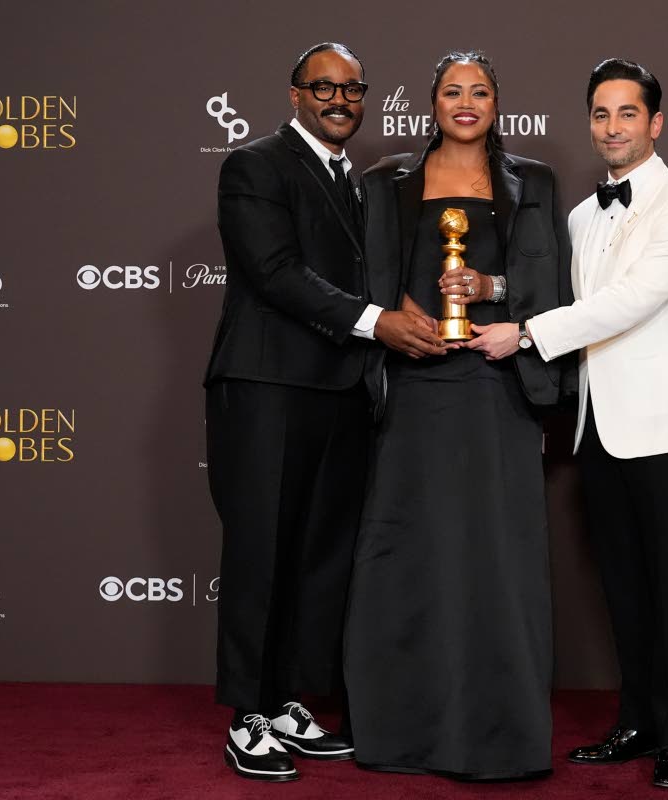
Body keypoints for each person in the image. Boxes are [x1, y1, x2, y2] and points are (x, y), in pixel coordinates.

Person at [470, 58, 668, 790]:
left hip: (667, 430)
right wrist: (495, 288)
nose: (613, 127)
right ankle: (637, 720)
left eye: (627, 114)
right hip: (597, 427)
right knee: (624, 589)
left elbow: (626, 303)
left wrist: (525, 333)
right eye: (601, 115)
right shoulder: (580, 214)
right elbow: (564, 289)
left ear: (656, 122)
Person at [204, 41, 445, 782]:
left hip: (341, 389)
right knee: (260, 552)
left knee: (316, 555)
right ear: (295, 95)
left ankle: (285, 701)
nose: (340, 101)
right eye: (324, 89)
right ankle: (247, 714)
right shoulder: (254, 164)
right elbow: (275, 273)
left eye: (352, 90)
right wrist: (378, 322)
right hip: (267, 387)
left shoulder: (359, 182)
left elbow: (363, 271)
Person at [343, 50, 575, 780]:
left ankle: (499, 737)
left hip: (496, 390)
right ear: (432, 103)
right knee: (410, 556)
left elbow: (548, 279)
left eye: (479, 92)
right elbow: (359, 276)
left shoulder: (531, 180)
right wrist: (392, 314)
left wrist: (489, 283)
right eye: (452, 92)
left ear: (497, 103)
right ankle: (398, 732)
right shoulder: (387, 181)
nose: (466, 103)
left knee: (494, 558)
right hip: (413, 391)